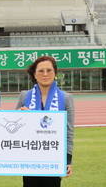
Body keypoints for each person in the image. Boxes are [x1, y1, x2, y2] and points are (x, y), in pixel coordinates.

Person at [15, 56, 75, 187]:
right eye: (41, 71)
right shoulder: (24, 96)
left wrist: (68, 160)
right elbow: (15, 128)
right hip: (30, 157)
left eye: (49, 70)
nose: (45, 74)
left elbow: (69, 132)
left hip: (54, 157)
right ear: (34, 74)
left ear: (55, 73)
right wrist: (21, 116)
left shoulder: (66, 98)